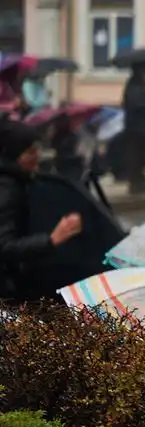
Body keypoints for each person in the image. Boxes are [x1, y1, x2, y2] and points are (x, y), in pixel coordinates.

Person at [0, 121, 83, 301]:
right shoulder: (6, 189)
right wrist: (52, 239)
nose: (36, 156)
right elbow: (4, 246)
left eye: (36, 150)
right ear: (13, 156)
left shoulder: (17, 179)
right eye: (30, 152)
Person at [122, 64, 145, 192]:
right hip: (136, 129)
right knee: (136, 156)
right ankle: (136, 182)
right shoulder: (133, 87)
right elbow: (134, 104)